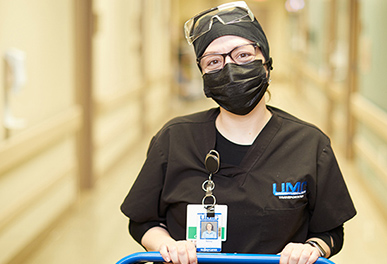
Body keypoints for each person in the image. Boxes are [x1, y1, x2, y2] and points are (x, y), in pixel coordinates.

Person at [121, 1, 356, 264]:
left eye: (243, 55)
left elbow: (331, 231)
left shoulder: (310, 145)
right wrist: (167, 246)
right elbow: (142, 221)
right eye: (214, 61)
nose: (230, 68)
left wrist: (311, 248)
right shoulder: (174, 139)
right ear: (204, 78)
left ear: (266, 64)